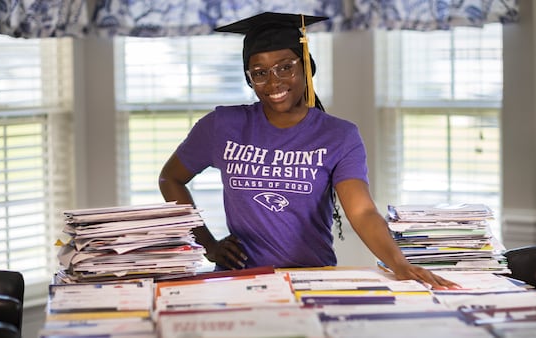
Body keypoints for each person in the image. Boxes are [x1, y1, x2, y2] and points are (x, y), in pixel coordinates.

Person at [159, 12, 458, 289]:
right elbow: (170, 178)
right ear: (249, 78)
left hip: (312, 279)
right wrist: (208, 245)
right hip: (240, 281)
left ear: (306, 65)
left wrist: (399, 264)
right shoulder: (223, 125)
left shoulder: (338, 135)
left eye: (285, 67)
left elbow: (363, 210)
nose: (273, 81)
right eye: (259, 72)